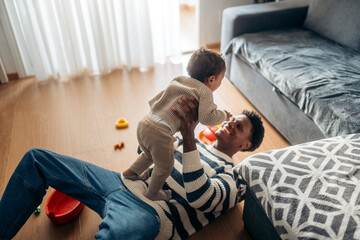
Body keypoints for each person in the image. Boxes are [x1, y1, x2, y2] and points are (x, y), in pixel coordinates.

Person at [0, 97, 264, 240]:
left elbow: (202, 197)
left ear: (246, 144)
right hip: (122, 183)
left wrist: (186, 138)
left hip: (151, 213)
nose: (230, 124)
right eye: (233, 120)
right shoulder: (193, 142)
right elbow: (143, 154)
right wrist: (159, 128)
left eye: (239, 127)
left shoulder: (235, 177)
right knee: (36, 158)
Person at [123, 47, 232, 201]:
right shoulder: (205, 91)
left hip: (146, 122)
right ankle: (152, 194)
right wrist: (224, 115)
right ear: (212, 79)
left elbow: (158, 98)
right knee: (165, 166)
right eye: (222, 78)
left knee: (149, 154)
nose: (220, 82)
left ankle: (130, 173)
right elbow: (207, 118)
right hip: (160, 132)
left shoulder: (179, 80)